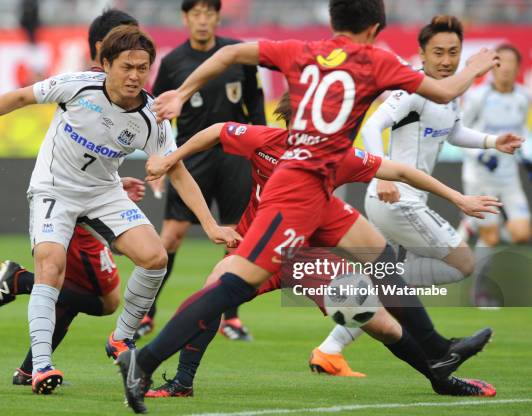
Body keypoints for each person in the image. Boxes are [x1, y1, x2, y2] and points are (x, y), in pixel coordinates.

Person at [117, 0, 502, 411]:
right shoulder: (374, 61)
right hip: (298, 193)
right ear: (375, 29)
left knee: (379, 259)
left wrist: (183, 93)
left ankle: (438, 355)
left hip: (316, 211)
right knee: (229, 286)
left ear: (333, 21)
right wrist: (476, 66)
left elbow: (229, 53)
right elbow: (444, 91)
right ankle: (147, 362)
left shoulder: (302, 52)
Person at [138, 92, 499, 397]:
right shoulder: (265, 142)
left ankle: (440, 377)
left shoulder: (336, 158)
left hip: (307, 259)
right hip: (255, 250)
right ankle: (182, 381)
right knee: (213, 289)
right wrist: (171, 158)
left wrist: (458, 198)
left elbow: (400, 171)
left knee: (382, 325)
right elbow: (217, 131)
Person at [0, 25, 240, 395]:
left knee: (155, 257)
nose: (134, 76)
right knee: (51, 265)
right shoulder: (78, 86)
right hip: (54, 189)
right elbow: (21, 97)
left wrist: (210, 225)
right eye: (126, 67)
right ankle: (40, 366)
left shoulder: (151, 116)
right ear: (105, 64)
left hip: (103, 192)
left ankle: (121, 338)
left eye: (142, 68)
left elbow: (175, 169)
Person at [315, 15, 523, 375]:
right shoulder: (412, 88)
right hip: (396, 198)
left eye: (453, 52)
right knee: (463, 265)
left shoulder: (449, 92)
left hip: (407, 201)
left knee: (395, 282)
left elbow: (454, 132)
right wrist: (379, 173)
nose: (446, 60)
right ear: (422, 55)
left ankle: (330, 349)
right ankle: (377, 285)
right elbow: (374, 125)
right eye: (438, 52)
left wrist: (492, 141)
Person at [0, 9, 147, 387]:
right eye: (127, 42)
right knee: (94, 296)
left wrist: (116, 185)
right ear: (104, 50)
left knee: (89, 295)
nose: (136, 57)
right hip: (67, 202)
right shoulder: (85, 85)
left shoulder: (124, 92)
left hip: (92, 198)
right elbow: (34, 105)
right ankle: (22, 290)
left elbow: (95, 152)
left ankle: (31, 366)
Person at [140, 0, 266, 342]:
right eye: (195, 14)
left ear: (216, 17)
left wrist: (263, 148)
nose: (202, 20)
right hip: (192, 158)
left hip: (235, 157)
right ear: (185, 18)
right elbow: (158, 112)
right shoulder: (173, 62)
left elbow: (254, 100)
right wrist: (161, 160)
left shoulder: (236, 54)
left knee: (236, 236)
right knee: (171, 236)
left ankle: (231, 318)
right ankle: (146, 313)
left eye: (208, 13)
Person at [460, 44, 531, 306]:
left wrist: (527, 155)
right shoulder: (478, 97)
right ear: (493, 66)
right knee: (490, 237)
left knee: (521, 233)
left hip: (509, 177)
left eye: (512, 62)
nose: (507, 68)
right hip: (481, 177)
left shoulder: (523, 97)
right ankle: (479, 291)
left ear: (518, 67)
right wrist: (480, 154)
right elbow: (459, 131)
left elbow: (521, 129)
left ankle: (471, 224)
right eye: (501, 62)